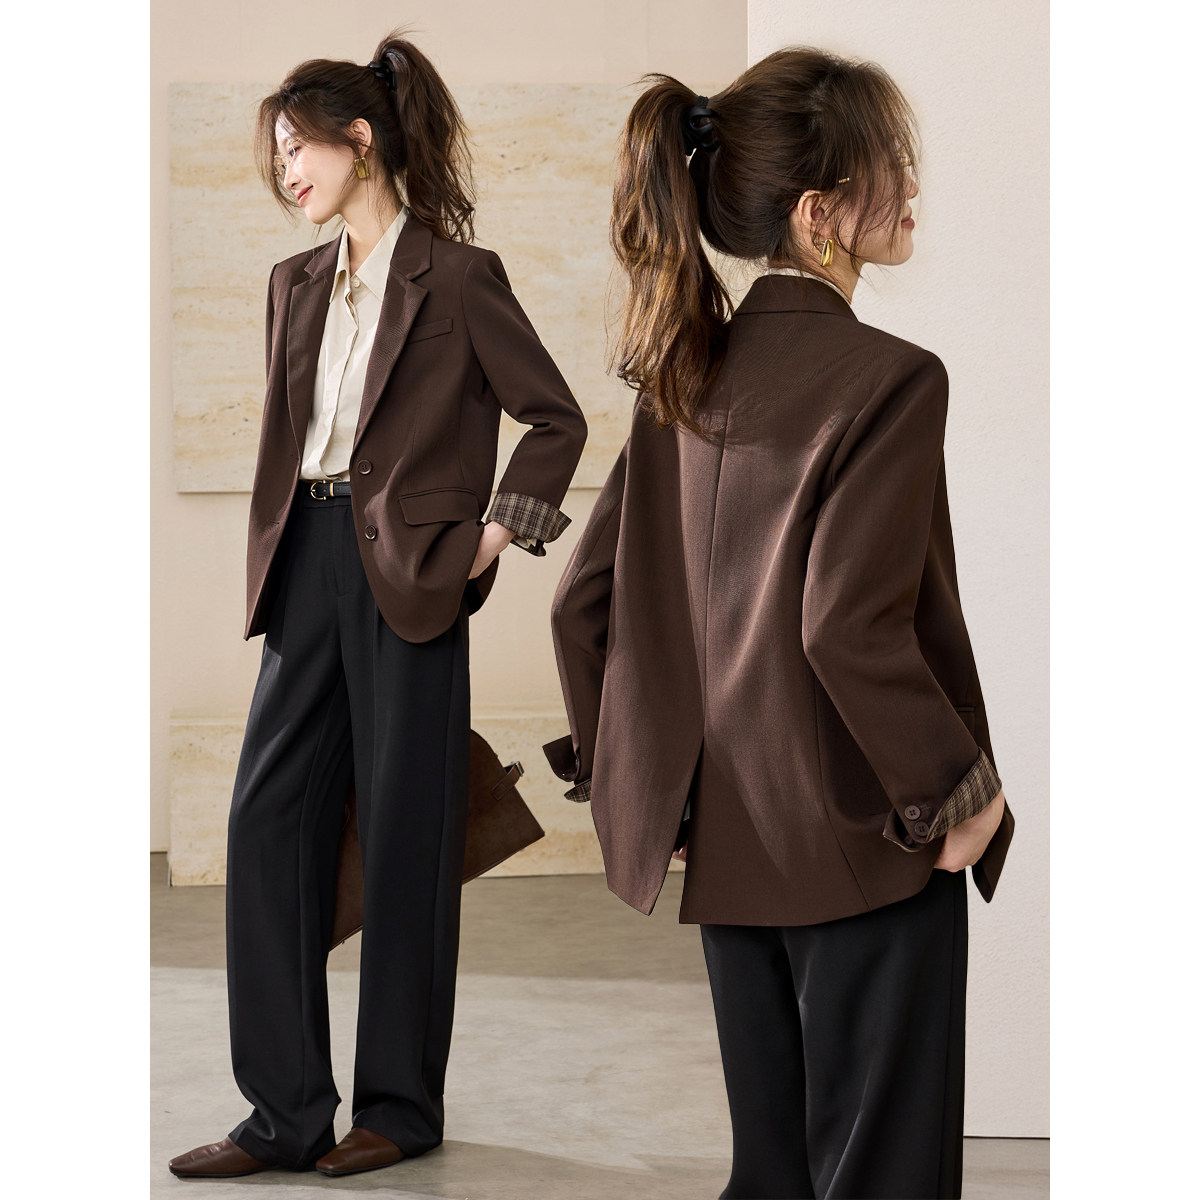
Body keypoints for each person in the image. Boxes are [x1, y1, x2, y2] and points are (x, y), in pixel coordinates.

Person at [544, 49, 1015, 1200]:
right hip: (869, 846)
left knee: (776, 1177)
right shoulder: (892, 378)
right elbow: (845, 628)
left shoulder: (680, 380)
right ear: (817, 215)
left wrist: (650, 789)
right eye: (889, 164)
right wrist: (959, 791)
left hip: (729, 851)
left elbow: (581, 604)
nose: (913, 186)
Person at [169, 30, 587, 1181]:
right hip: (305, 559)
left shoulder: (458, 276)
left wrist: (490, 540)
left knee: (408, 835)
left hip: (414, 575)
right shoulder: (292, 283)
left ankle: (399, 1107)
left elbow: (555, 418)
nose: (285, 172)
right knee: (266, 828)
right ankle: (284, 1112)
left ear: (360, 140)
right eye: (276, 157)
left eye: (297, 148)